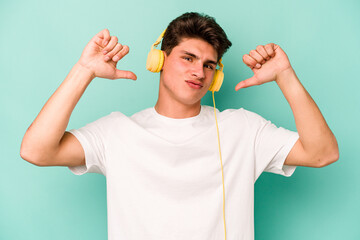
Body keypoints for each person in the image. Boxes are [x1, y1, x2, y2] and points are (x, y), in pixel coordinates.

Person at [20, 12, 339, 240]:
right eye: (188, 58)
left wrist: (285, 75)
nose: (199, 71)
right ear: (158, 60)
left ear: (216, 77)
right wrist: (83, 71)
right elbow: (36, 151)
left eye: (209, 65)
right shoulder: (117, 132)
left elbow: (322, 153)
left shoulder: (243, 129)